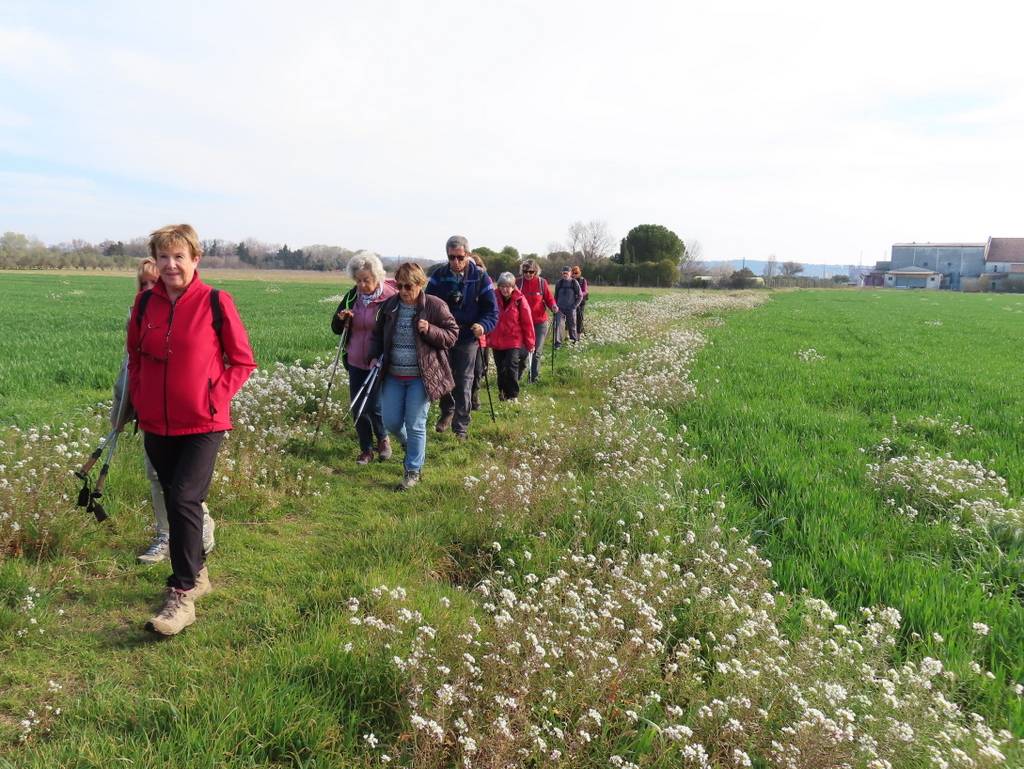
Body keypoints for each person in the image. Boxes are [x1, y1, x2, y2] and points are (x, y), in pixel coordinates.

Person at [126, 224, 256, 636]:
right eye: (163, 257)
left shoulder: (216, 301)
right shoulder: (145, 304)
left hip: (203, 421)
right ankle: (197, 573)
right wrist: (140, 399)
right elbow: (135, 356)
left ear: (194, 259)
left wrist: (215, 396)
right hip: (156, 422)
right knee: (178, 500)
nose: (170, 264)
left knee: (184, 497)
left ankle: (181, 595)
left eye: (178, 256)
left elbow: (242, 361)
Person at [117, 258, 215, 564]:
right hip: (152, 412)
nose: (148, 289)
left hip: (189, 414)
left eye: (153, 282)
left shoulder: (197, 309)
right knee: (157, 476)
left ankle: (200, 525)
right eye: (143, 284)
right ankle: (165, 535)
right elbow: (130, 365)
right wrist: (125, 408)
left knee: (184, 486)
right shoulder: (139, 313)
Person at [371, 263, 459, 490]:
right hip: (393, 374)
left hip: (422, 376)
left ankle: (412, 470)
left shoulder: (435, 306)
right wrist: (373, 355)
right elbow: (377, 335)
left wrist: (430, 329)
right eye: (399, 285)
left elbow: (452, 335)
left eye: (408, 286)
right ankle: (412, 447)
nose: (402, 291)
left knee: (416, 424)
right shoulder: (390, 306)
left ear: (421, 284)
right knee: (390, 421)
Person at [425, 235, 498, 441]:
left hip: (468, 336)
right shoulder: (438, 275)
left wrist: (483, 326)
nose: (455, 262)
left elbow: (492, 310)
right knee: (444, 377)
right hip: (443, 335)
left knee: (464, 381)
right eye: (451, 257)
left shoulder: (481, 277)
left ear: (467, 254)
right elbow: (427, 304)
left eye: (460, 257)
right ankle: (447, 410)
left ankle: (461, 427)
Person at [331, 253, 397, 464]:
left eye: (366, 280)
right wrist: (343, 319)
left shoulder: (389, 297)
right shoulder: (352, 297)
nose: (361, 284)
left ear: (376, 276)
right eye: (358, 280)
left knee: (374, 405)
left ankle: (383, 438)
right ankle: (366, 449)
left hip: (379, 360)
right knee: (357, 404)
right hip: (355, 359)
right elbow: (335, 327)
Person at [488, 272, 535, 402]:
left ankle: (513, 395)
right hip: (497, 339)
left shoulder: (520, 300)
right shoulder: (492, 297)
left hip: (514, 339)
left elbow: (527, 322)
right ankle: (502, 393)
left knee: (511, 365)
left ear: (513, 287)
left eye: (508, 286)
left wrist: (530, 342)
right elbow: (487, 316)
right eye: (502, 286)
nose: (505, 289)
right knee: (500, 368)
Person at [515, 259, 556, 383]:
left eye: (531, 272)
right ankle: (517, 376)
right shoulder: (518, 283)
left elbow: (549, 299)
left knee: (536, 352)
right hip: (522, 323)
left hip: (540, 323)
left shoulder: (541, 283)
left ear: (536, 271)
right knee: (522, 353)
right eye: (525, 271)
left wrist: (553, 306)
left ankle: (534, 379)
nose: (528, 274)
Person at [468, 253, 490, 412]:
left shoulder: (483, 282)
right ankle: (465, 400)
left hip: (480, 337)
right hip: (462, 338)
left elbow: (490, 311)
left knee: (478, 371)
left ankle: (474, 397)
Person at [553, 266, 582, 348]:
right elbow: (555, 296)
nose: (565, 275)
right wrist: (554, 305)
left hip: (571, 308)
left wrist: (574, 306)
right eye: (563, 273)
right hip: (560, 308)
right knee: (558, 325)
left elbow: (580, 296)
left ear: (570, 273)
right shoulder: (559, 283)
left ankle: (574, 342)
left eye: (566, 273)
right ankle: (558, 343)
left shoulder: (574, 282)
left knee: (572, 326)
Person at [571, 265, 589, 336]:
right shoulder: (570, 280)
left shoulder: (583, 280)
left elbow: (585, 291)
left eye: (576, 273)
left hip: (581, 302)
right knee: (570, 319)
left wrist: (579, 294)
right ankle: (569, 335)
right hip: (571, 302)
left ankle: (578, 336)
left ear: (579, 273)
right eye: (574, 273)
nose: (575, 274)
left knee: (579, 318)